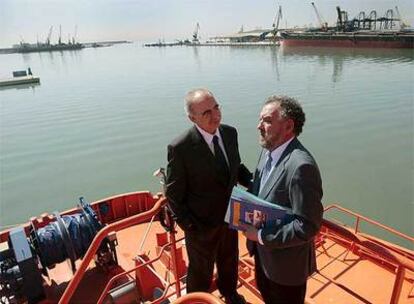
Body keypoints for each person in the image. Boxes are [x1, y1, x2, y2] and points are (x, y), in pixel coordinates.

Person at [166, 88, 250, 304]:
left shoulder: (230, 133)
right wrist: (190, 227)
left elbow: (236, 166)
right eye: (206, 113)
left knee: (230, 260)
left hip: (231, 217)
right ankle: (197, 301)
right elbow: (173, 194)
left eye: (216, 107)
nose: (215, 115)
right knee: (200, 272)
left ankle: (229, 293)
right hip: (200, 226)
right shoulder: (181, 147)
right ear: (192, 117)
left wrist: (255, 184)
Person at [241, 95, 323, 304]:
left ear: (288, 126)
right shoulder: (269, 152)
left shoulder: (301, 167)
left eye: (267, 120)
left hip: (286, 271)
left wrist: (260, 236)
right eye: (260, 119)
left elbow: (307, 225)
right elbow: (262, 191)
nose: (259, 126)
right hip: (263, 258)